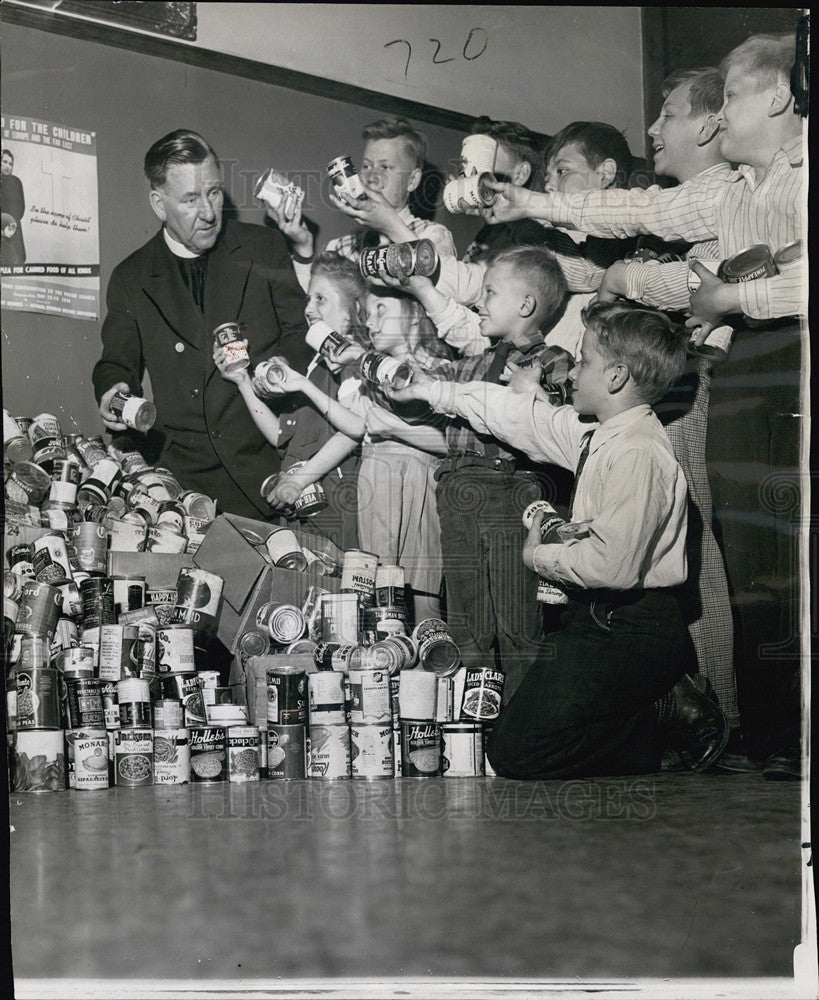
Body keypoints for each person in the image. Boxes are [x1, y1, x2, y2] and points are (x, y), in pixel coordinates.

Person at [402, 301, 729, 778]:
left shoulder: (639, 453)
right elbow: (525, 419)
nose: (573, 371)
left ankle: (666, 712)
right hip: (593, 619)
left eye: (585, 361)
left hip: (635, 626)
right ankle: (649, 707)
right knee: (515, 741)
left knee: (517, 753)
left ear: (616, 377)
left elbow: (610, 567)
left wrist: (539, 556)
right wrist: (433, 391)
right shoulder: (599, 435)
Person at [594, 68, 740, 732]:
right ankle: (701, 709)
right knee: (676, 563)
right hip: (673, 396)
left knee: (705, 561)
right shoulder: (665, 211)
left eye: (668, 114)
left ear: (711, 124)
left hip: (702, 391)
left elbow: (692, 290)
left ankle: (726, 713)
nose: (653, 129)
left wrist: (626, 276)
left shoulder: (725, 204)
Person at [92, 129, 311, 519]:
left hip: (269, 477)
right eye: (191, 199)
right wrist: (113, 391)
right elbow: (117, 361)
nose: (209, 213)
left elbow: (301, 335)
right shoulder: (131, 277)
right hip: (182, 488)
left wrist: (274, 375)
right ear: (159, 205)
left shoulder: (264, 248)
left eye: (213, 193)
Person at [388, 246, 574, 701]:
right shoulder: (470, 362)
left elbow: (556, 413)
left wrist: (532, 388)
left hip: (509, 487)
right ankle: (472, 722)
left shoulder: (551, 360)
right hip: (455, 486)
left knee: (515, 610)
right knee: (468, 612)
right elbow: (429, 385)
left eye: (490, 292)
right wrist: (401, 379)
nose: (479, 302)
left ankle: (521, 720)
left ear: (526, 305)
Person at [268, 288, 452, 624]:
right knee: (377, 602)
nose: (371, 321)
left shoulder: (440, 369)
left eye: (381, 308)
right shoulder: (366, 379)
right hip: (376, 479)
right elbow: (352, 428)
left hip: (421, 482)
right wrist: (300, 480)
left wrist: (388, 425)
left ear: (413, 312)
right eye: (368, 313)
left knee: (426, 602)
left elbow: (451, 442)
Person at [417, 121, 643, 358]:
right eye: (548, 175)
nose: (549, 184)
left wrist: (516, 219)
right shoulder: (558, 231)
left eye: (562, 171)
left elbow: (584, 274)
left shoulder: (619, 232)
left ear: (605, 174)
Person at [214, 251, 366, 549]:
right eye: (308, 299)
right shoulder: (314, 366)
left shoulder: (354, 364)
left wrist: (298, 481)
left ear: (349, 313)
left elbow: (352, 433)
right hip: (299, 506)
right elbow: (281, 438)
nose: (308, 309)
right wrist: (243, 381)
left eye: (320, 299)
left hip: (334, 514)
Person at [269, 118, 456, 292]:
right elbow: (313, 309)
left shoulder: (432, 237)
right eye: (366, 166)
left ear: (413, 180)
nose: (371, 178)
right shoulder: (340, 248)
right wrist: (303, 246)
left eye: (385, 167)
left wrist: (391, 227)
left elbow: (441, 295)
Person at [1, 149, 27, 267]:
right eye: (4, 162)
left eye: (10, 164)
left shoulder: (15, 182)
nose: (7, 166)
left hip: (12, 230)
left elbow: (20, 209)